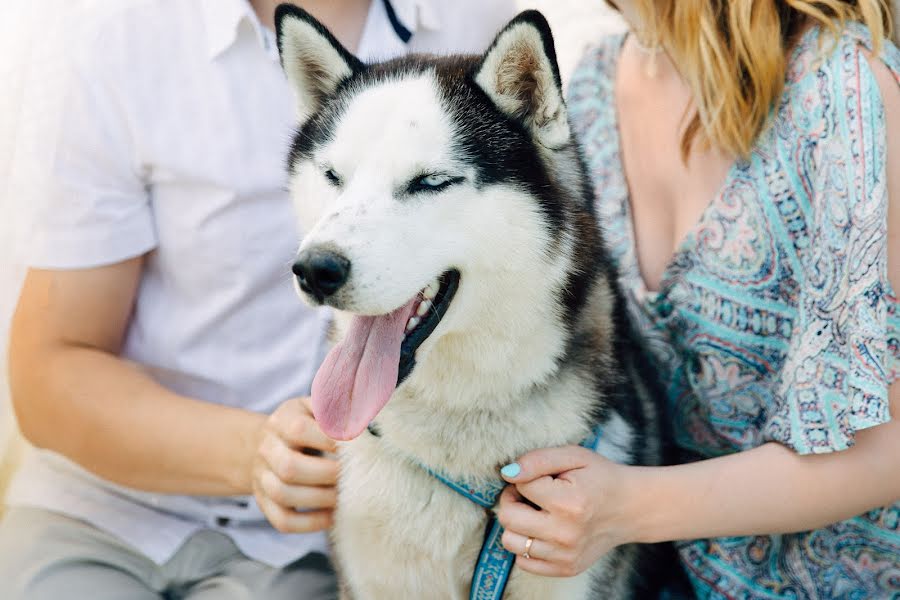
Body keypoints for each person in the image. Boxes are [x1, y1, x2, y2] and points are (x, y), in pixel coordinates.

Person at [0, 0, 516, 598]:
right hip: (101, 516)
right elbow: (51, 370)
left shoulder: (476, 22)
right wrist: (255, 454)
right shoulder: (124, 41)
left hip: (312, 544)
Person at [494, 1, 900, 597]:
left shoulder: (846, 88)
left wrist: (627, 505)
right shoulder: (588, 87)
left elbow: (887, 452)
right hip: (651, 577)